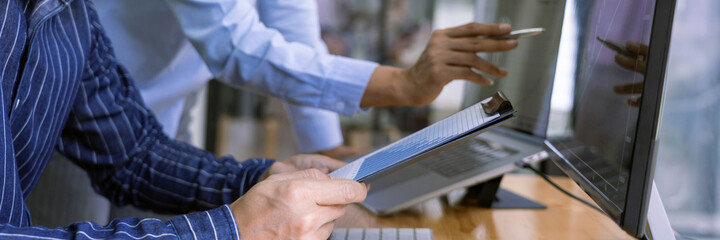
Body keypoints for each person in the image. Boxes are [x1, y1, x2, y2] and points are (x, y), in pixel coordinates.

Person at [0, 0, 517, 239]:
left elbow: (134, 152)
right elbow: (234, 42)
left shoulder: (68, 13)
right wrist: (233, 228)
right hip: (80, 120)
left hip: (128, 109)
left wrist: (268, 179)